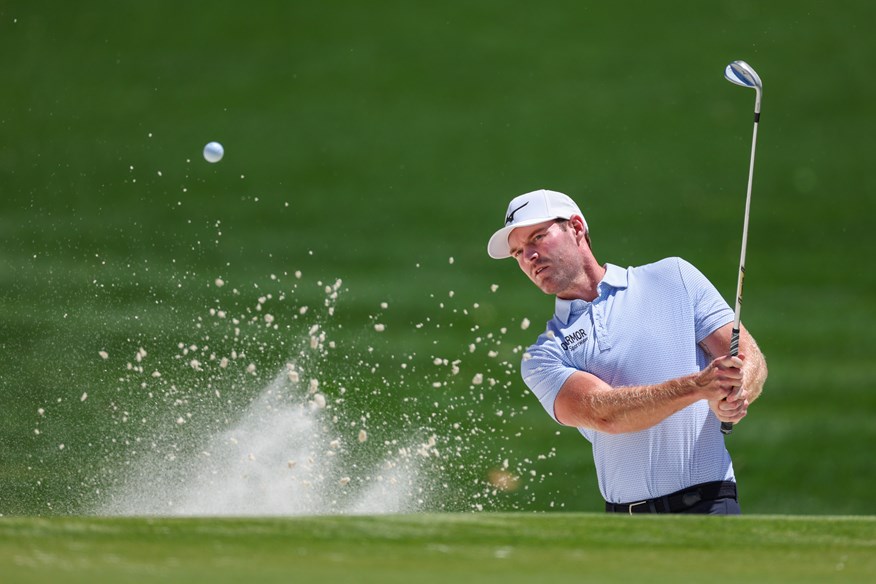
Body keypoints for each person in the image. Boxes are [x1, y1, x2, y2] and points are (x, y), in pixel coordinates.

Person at [487, 189, 767, 514]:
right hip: (626, 522)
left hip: (711, 504)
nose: (528, 257)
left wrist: (737, 390)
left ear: (576, 228)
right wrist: (699, 387)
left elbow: (748, 357)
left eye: (537, 238)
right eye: (518, 252)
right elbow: (604, 413)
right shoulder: (544, 355)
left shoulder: (673, 277)